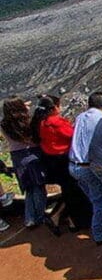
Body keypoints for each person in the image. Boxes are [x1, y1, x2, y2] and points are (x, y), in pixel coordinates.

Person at [31, 94, 92, 233]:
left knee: (68, 189)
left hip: (50, 160)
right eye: (59, 105)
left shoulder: (40, 121)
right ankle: (65, 218)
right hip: (62, 159)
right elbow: (72, 134)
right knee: (73, 190)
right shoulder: (57, 122)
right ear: (53, 108)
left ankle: (66, 219)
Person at [69, 91, 102, 244]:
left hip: (73, 164)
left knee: (93, 197)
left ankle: (100, 224)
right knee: (101, 200)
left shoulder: (80, 117)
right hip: (87, 166)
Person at [1, 97, 47, 229]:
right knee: (38, 187)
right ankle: (38, 217)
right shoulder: (26, 123)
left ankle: (29, 218)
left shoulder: (4, 125)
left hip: (17, 157)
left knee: (29, 189)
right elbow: (32, 139)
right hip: (31, 155)